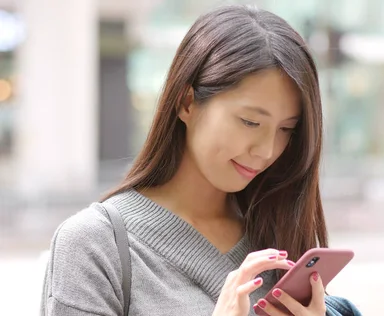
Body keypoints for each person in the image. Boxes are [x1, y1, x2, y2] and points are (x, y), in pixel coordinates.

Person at [41, 5, 356, 316]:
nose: (266, 150)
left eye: (287, 129)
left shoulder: (278, 236)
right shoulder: (94, 245)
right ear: (187, 102)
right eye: (250, 122)